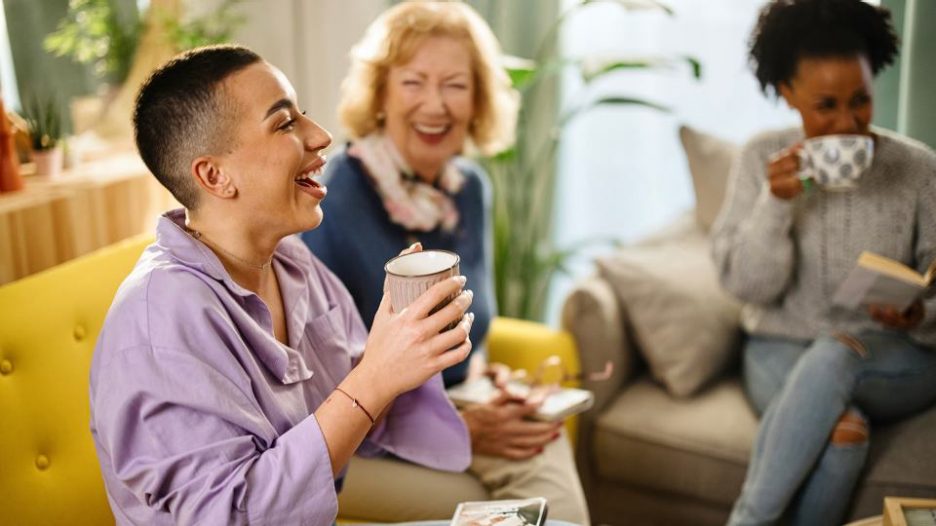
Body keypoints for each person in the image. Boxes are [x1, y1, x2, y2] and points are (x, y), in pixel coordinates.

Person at [89, 44, 476, 525]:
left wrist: (408, 346)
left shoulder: (293, 263)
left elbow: (360, 397)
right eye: (284, 124)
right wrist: (373, 379)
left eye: (303, 116)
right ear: (215, 176)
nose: (321, 136)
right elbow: (228, 516)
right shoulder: (159, 323)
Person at [301, 2, 590, 523]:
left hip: (452, 410)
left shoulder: (469, 189)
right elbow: (319, 389)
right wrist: (464, 428)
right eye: (413, 82)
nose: (435, 105)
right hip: (359, 435)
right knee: (524, 500)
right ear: (381, 94)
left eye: (455, 85)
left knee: (542, 447)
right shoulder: (333, 199)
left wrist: (485, 384)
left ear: (478, 101)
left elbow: (468, 339)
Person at [711, 1, 936, 524]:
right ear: (788, 93)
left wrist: (918, 314)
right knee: (845, 434)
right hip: (781, 347)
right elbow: (748, 287)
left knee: (839, 351)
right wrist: (776, 205)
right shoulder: (759, 161)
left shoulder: (920, 170)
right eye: (825, 106)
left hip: (897, 357)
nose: (848, 123)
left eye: (861, 101)